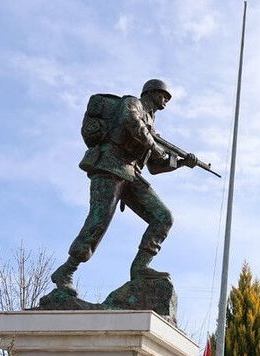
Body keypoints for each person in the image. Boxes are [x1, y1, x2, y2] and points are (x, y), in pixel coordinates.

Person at [51, 79, 188, 292]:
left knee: (163, 217)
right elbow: (131, 123)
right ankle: (67, 270)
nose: (166, 102)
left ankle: (141, 267)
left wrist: (180, 163)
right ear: (151, 92)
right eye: (163, 96)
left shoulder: (151, 123)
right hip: (110, 165)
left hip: (132, 174)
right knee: (98, 222)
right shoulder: (133, 103)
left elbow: (154, 166)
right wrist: (156, 145)